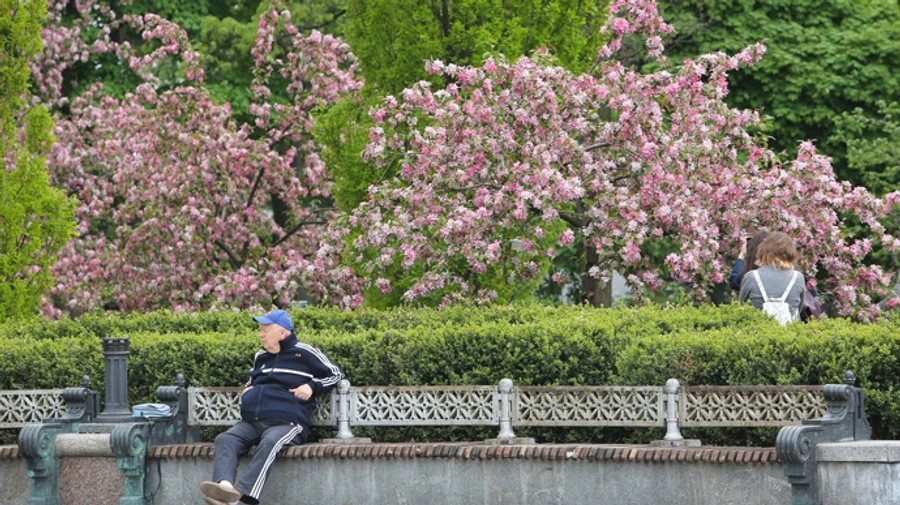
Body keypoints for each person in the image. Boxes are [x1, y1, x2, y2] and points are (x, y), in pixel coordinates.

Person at [200, 309, 344, 505]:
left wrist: (311, 386)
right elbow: (252, 379)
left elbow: (336, 375)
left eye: (265, 330)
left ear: (282, 333)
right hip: (252, 422)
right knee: (225, 439)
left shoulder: (305, 352)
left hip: (287, 422)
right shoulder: (261, 355)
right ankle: (224, 488)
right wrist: (247, 390)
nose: (261, 334)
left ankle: (241, 498)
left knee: (269, 442)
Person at [739, 232, 806, 322]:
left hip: (756, 332)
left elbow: (742, 305)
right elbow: (799, 308)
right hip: (789, 333)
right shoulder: (798, 278)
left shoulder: (751, 277)